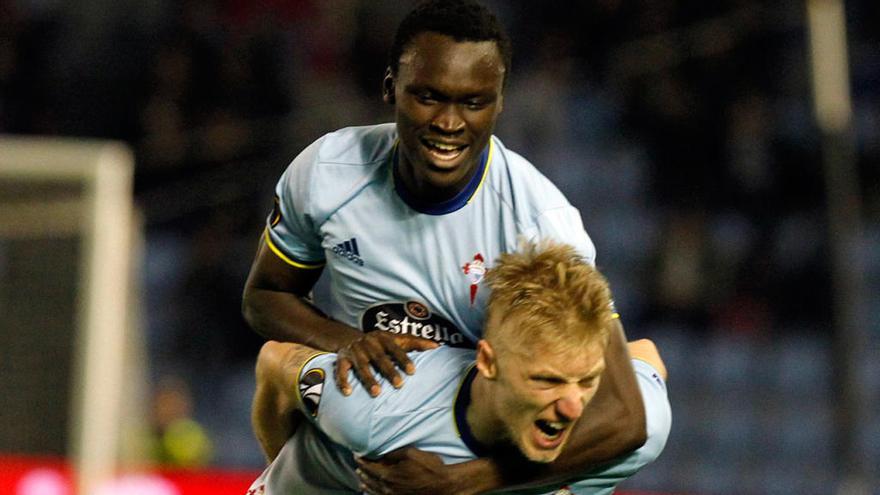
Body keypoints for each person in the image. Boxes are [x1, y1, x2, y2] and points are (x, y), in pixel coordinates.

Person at [241, 0, 647, 491]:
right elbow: (265, 297)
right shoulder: (328, 173)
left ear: (499, 102)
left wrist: (461, 482)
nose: (449, 123)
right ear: (391, 87)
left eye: (473, 102)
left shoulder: (541, 225)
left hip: (475, 453)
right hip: (370, 423)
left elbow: (624, 416)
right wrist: (347, 342)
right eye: (429, 97)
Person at [247, 242, 671, 495]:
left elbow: (646, 353)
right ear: (487, 361)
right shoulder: (376, 403)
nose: (574, 408)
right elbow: (275, 364)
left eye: (588, 381)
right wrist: (281, 470)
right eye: (547, 381)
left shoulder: (633, 430)